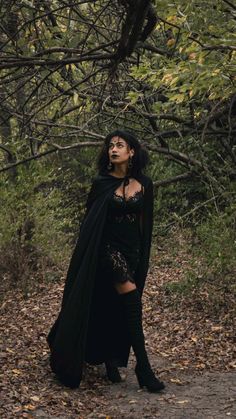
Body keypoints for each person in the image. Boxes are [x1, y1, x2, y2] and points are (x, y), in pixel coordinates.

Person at [47, 129, 165, 393]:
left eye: (120, 145)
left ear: (131, 151)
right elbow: (91, 223)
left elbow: (145, 225)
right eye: (110, 145)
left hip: (131, 252)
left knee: (112, 305)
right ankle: (144, 368)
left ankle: (111, 361)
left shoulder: (145, 184)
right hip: (107, 251)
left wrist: (142, 260)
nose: (113, 149)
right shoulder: (102, 184)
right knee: (132, 300)